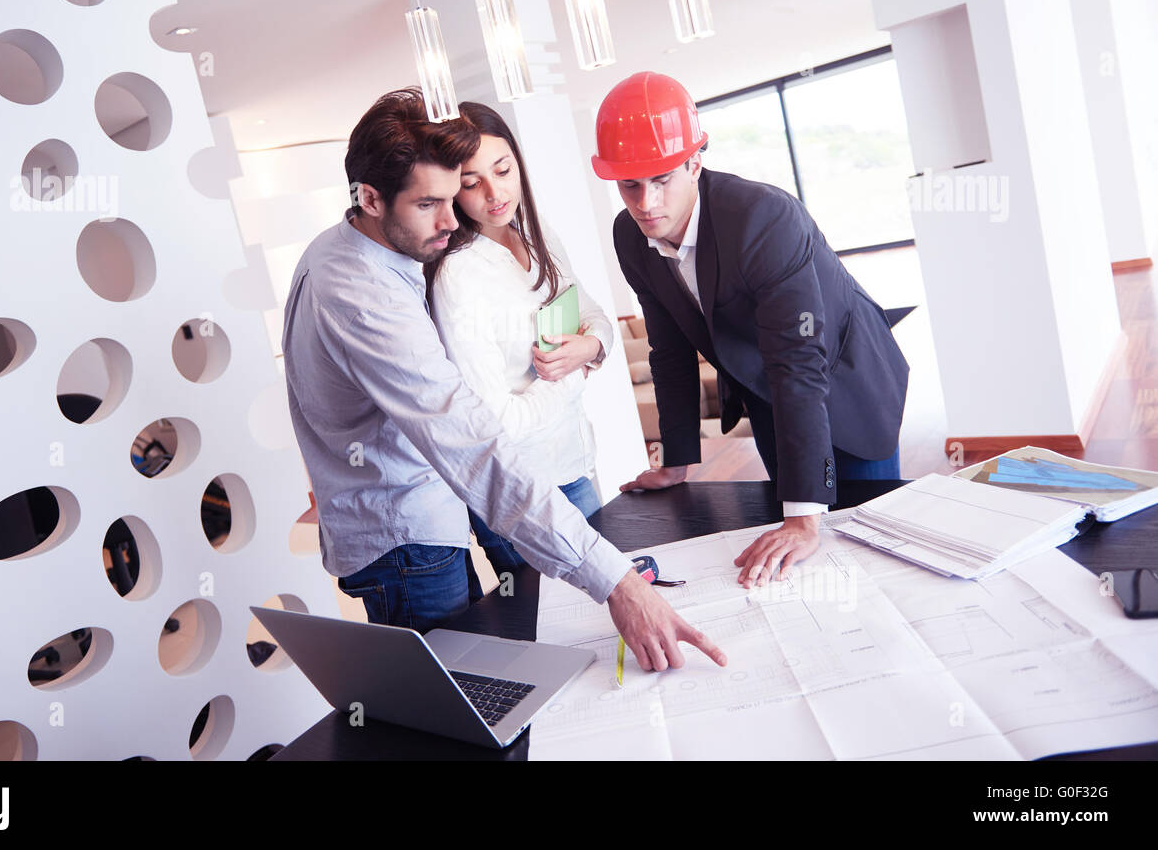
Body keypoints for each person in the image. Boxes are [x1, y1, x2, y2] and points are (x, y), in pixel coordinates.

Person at [281, 87, 727, 673]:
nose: (450, 221)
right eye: (429, 204)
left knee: (489, 672)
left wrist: (589, 348)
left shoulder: (361, 248)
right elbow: (471, 439)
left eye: (451, 196)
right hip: (403, 533)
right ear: (369, 197)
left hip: (427, 513)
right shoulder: (365, 293)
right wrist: (616, 582)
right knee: (458, 691)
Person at [594, 72, 910, 590]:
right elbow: (668, 348)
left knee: (872, 542)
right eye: (631, 185)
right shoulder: (629, 237)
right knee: (798, 558)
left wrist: (806, 515)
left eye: (662, 179)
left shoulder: (763, 216)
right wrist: (677, 461)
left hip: (845, 377)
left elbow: (798, 360)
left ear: (695, 162)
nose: (646, 203)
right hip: (766, 387)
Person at [425, 101, 609, 580]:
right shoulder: (459, 275)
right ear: (451, 192)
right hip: (522, 494)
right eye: (471, 182)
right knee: (559, 634)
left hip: (574, 464)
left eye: (503, 169)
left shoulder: (534, 228)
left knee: (610, 630)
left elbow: (592, 314)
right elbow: (499, 422)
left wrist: (589, 348)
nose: (494, 193)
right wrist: (577, 372)